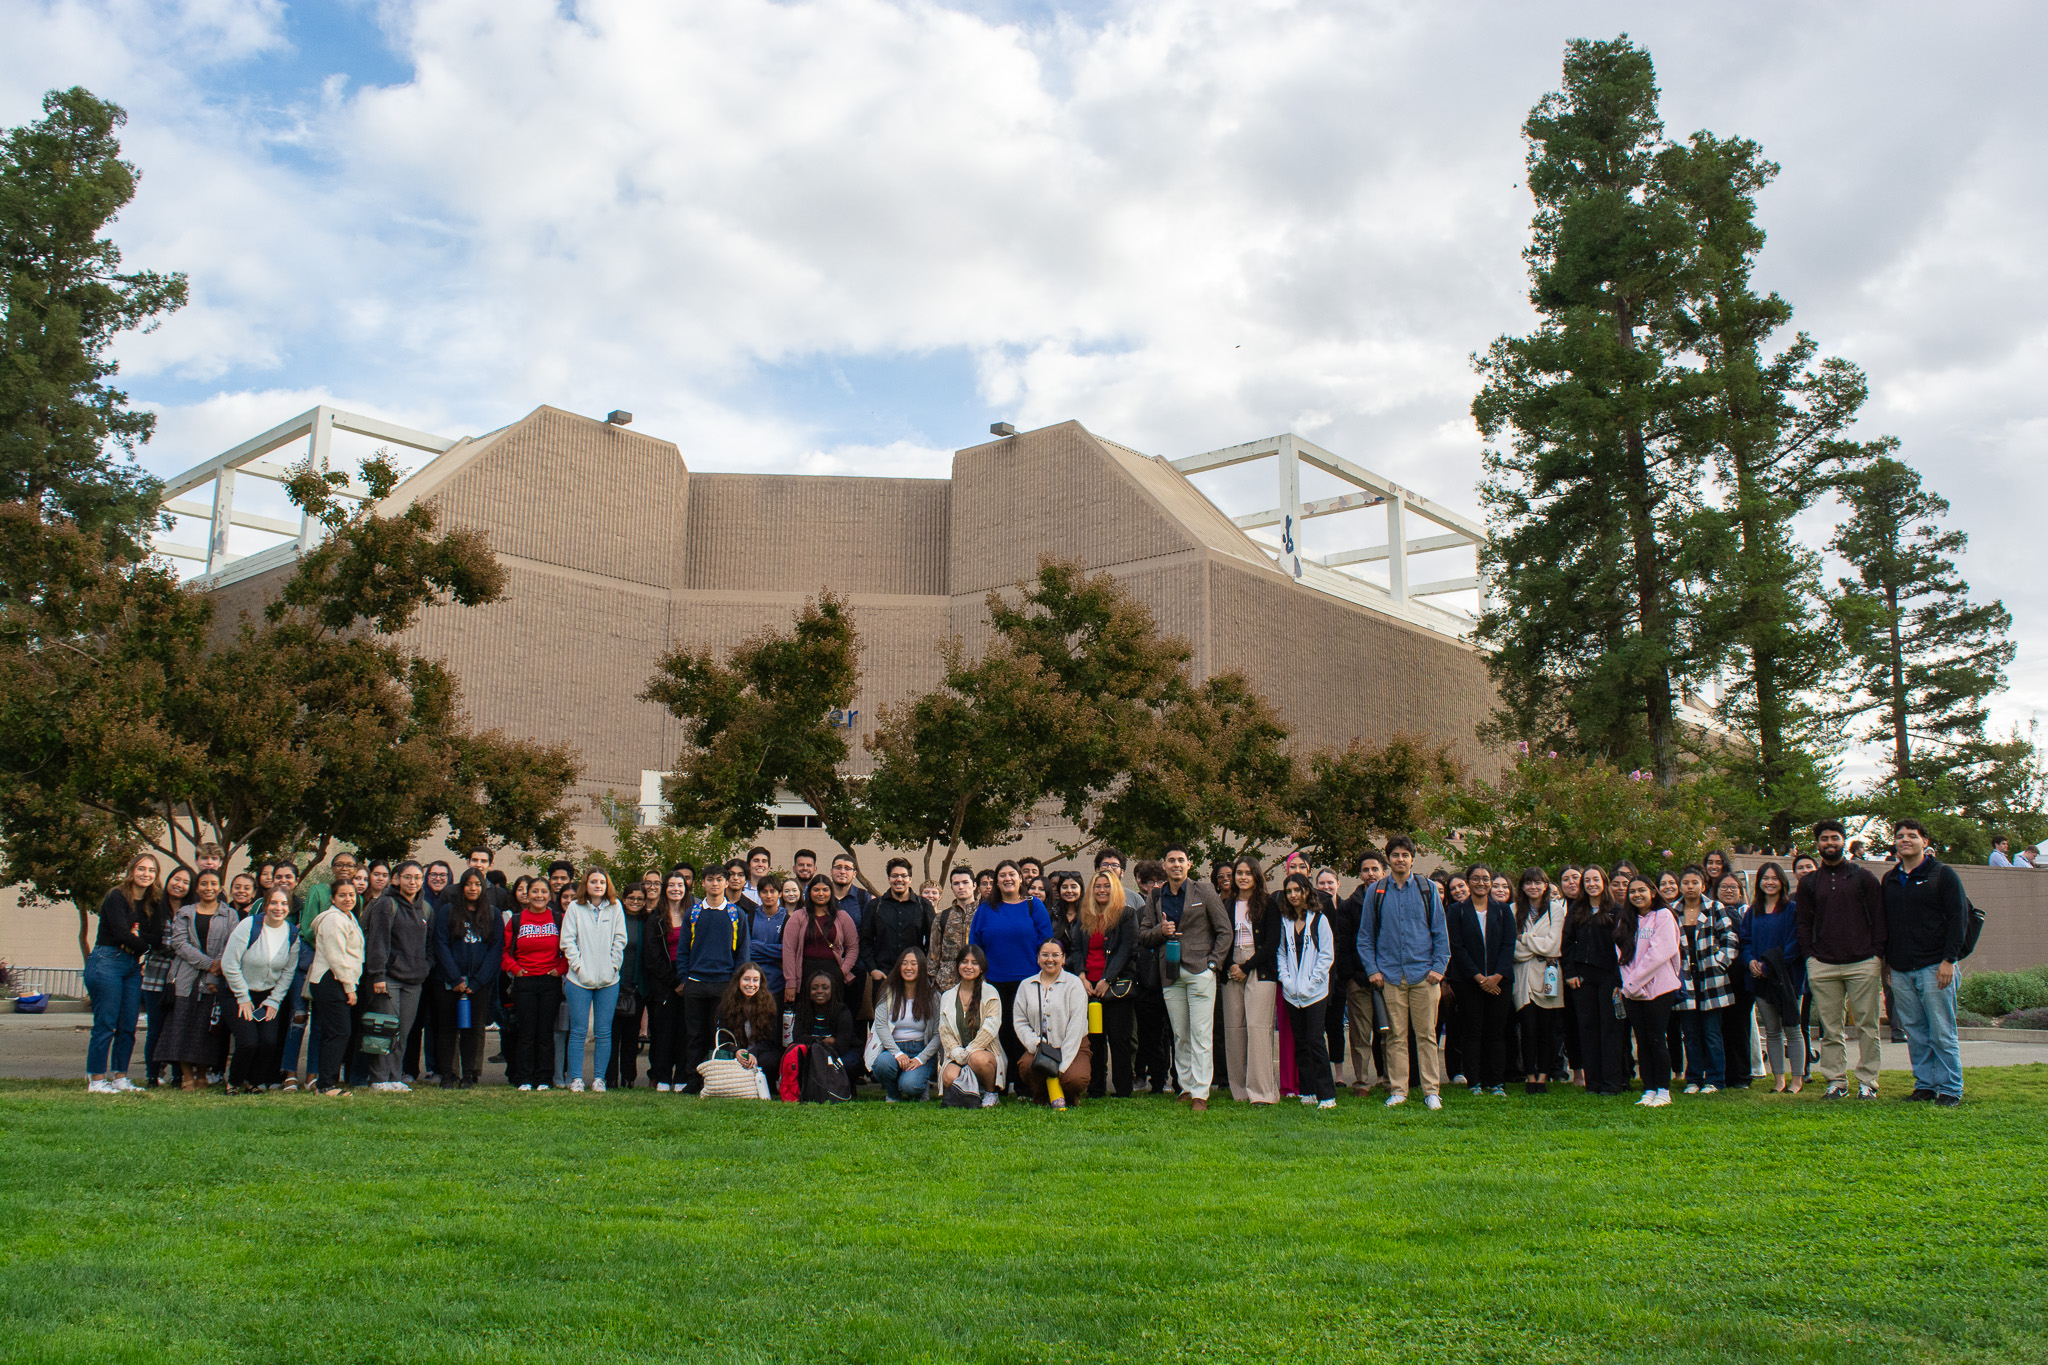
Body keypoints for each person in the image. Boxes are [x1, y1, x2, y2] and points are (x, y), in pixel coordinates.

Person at [1796, 819, 1886, 1100]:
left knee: (1867, 1026)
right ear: (1818, 844)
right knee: (1830, 1028)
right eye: (1824, 839)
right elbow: (1803, 924)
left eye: (1835, 838)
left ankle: (1868, 1082)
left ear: (1843, 841)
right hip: (1823, 964)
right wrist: (1810, 956)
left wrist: (1877, 955)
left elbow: (1880, 919)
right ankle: (1836, 1081)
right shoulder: (1809, 883)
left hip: (1863, 962)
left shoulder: (1863, 877)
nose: (1830, 843)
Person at [1137, 845, 1231, 1112]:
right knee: (1180, 1034)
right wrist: (1160, 930)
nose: (1176, 865)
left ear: (1189, 864)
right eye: (1171, 861)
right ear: (1163, 865)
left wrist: (1213, 963)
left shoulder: (1204, 891)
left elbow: (1224, 931)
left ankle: (1201, 1091)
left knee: (1201, 1033)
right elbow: (1144, 936)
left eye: (1181, 860)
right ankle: (1186, 1087)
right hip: (1170, 972)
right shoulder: (1156, 896)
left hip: (1200, 969)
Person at [1358, 836, 1450, 1110]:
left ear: (1412, 858)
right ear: (1388, 859)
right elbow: (1365, 937)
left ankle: (1431, 1091)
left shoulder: (1427, 889)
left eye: (1404, 855)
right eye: (1395, 855)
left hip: (1424, 974)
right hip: (1390, 976)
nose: (1400, 859)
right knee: (1395, 1036)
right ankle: (1398, 1090)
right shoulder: (1377, 892)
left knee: (1427, 1035)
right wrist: (1373, 970)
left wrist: (1438, 968)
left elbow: (1440, 932)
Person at [1884, 819, 1969, 1106]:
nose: (1904, 840)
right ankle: (1925, 1085)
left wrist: (1949, 960)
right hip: (1901, 969)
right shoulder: (1891, 879)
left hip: (1935, 966)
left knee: (1942, 1031)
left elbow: (1959, 919)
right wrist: (1887, 965)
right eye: (1899, 836)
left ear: (1925, 841)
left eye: (1911, 836)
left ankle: (1950, 1089)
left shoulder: (1942, 874)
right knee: (1916, 1032)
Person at [969, 860, 1057, 1090]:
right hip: (993, 981)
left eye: (1012, 874)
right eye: (1002, 875)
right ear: (996, 881)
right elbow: (974, 947)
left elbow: (1046, 944)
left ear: (1021, 878)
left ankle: (1023, 1084)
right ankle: (999, 1081)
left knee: (1024, 1031)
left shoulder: (1033, 906)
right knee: (999, 1031)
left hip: (1027, 981)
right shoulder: (985, 909)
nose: (1007, 879)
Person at [85, 853, 161, 1093]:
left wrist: (141, 942)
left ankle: (120, 1078)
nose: (146, 874)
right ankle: (97, 1080)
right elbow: (120, 933)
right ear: (132, 870)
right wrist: (145, 945)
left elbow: (156, 936)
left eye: (151, 870)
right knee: (106, 1024)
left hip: (131, 965)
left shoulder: (152, 902)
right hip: (107, 961)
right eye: (141, 868)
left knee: (128, 1024)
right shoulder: (116, 896)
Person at [159, 869, 240, 1091]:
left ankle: (203, 1074)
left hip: (214, 981)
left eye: (213, 883)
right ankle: (186, 1076)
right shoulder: (185, 912)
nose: (208, 888)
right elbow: (180, 944)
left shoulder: (229, 914)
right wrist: (208, 963)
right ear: (197, 888)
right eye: (204, 883)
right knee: (182, 1027)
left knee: (206, 1030)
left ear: (220, 887)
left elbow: (232, 945)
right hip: (185, 978)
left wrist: (215, 970)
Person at [360, 861, 433, 1093]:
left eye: (418, 878)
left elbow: (429, 946)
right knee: (385, 1029)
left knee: (404, 1031)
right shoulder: (386, 904)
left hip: (414, 980)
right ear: (396, 879)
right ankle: (378, 1078)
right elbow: (378, 941)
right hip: (387, 978)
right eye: (408, 877)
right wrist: (378, 974)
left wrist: (425, 967)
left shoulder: (426, 909)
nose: (413, 882)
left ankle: (394, 1076)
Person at [557, 869, 628, 1093]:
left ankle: (599, 1078)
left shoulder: (616, 907)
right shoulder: (575, 908)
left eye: (602, 882)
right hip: (578, 980)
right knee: (578, 1030)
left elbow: (620, 939)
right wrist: (578, 967)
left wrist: (613, 966)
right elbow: (567, 941)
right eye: (593, 882)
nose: (598, 885)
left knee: (603, 1031)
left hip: (609, 980)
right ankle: (576, 1078)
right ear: (585, 885)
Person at [1738, 863, 1806, 1094]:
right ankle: (1779, 1081)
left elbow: (1796, 942)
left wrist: (1770, 965)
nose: (1769, 882)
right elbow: (1744, 941)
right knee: (1773, 1031)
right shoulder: (1752, 912)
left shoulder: (1792, 909)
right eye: (1765, 878)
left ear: (1782, 882)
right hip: (1760, 979)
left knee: (1792, 1029)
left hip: (1787, 978)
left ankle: (1797, 1080)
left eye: (1774, 878)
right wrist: (1751, 962)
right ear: (1758, 882)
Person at [431, 869, 502, 1089]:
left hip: (478, 983)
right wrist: (454, 978)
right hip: (449, 982)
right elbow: (440, 944)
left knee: (473, 1029)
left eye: (478, 885)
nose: (473, 889)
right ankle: (447, 1074)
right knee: (447, 1028)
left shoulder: (493, 914)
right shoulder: (447, 912)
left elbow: (495, 950)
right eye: (469, 884)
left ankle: (470, 1074)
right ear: (462, 887)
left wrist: (478, 981)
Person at [222, 886, 298, 1092]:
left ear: (289, 908)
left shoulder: (292, 933)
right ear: (265, 905)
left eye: (283, 904)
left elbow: (288, 972)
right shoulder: (249, 925)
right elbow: (229, 963)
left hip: (267, 997)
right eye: (274, 902)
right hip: (237, 993)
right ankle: (234, 1082)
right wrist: (242, 996)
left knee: (268, 1042)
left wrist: (274, 1000)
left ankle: (254, 1081)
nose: (278, 907)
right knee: (248, 1042)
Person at [676, 865, 744, 1093]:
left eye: (719, 879)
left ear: (727, 883)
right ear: (702, 884)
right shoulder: (693, 913)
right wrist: (684, 978)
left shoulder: (736, 914)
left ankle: (716, 1081)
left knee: (719, 1034)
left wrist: (736, 983)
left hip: (724, 984)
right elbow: (683, 949)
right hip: (695, 983)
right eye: (710, 879)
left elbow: (743, 952)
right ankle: (693, 1081)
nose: (715, 884)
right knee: (694, 1034)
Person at [1449, 863, 1515, 1097]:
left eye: (1486, 879)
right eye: (1475, 879)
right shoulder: (1456, 911)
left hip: (1500, 982)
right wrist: (1479, 978)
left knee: (1496, 1032)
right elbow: (1457, 947)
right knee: (1472, 1031)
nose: (1481, 883)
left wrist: (1496, 976)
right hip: (1469, 982)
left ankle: (1496, 1082)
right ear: (1468, 882)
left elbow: (1509, 944)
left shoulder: (1503, 910)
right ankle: (1474, 1082)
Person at [1562, 865, 1628, 1094]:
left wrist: (1620, 979)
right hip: (1582, 978)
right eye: (1587, 880)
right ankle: (1594, 1083)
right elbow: (1567, 943)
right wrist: (1569, 973)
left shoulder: (1616, 910)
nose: (1591, 884)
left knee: (1610, 1030)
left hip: (1610, 977)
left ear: (1604, 882)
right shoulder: (1577, 910)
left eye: (1595, 879)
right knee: (1587, 1029)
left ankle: (1612, 1083)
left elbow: (1624, 945)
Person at [1274, 872, 1338, 1108]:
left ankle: (1327, 1094)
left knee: (1315, 1041)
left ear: (1306, 892)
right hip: (1292, 992)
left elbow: (1326, 955)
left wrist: (1312, 983)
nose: (1293, 895)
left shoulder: (1319, 919)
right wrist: (1287, 981)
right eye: (1289, 891)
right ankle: (1308, 1091)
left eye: (1297, 890)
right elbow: (1281, 953)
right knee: (1300, 1041)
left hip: (1316, 992)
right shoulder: (1285, 921)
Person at [1221, 858, 1282, 1105]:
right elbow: (1219, 938)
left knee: (1258, 1029)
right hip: (1231, 968)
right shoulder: (1225, 904)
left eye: (1248, 873)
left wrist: (1246, 967)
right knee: (1234, 1030)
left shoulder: (1268, 905)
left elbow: (1272, 943)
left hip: (1259, 969)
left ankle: (1262, 1093)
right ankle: (1240, 1091)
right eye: (1239, 873)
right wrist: (1230, 967)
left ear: (1257, 876)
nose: (1243, 877)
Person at [1672, 866, 1738, 1094]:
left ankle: (1715, 1079)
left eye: (1694, 882)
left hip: (1711, 978)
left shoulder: (1714, 907)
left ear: (1703, 885)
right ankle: (1693, 1079)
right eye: (1686, 883)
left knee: (1711, 1032)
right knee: (1690, 1033)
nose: (1690, 887)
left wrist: (1720, 962)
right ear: (1680, 886)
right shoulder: (1673, 910)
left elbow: (1729, 937)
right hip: (1684, 980)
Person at [1075, 868, 1140, 1098]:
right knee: (1095, 1039)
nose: (1101, 890)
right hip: (1088, 986)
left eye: (1106, 886)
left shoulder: (1126, 914)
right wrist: (1081, 976)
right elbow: (1076, 949)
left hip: (1116, 986)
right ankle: (1096, 1088)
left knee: (1119, 1039)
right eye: (1097, 886)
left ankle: (1123, 1089)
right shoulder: (1085, 916)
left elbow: (1127, 949)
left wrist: (1107, 980)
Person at [1617, 876, 1679, 1108]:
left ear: (1652, 892)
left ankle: (1663, 1090)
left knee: (1656, 1038)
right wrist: (1630, 985)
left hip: (1659, 988)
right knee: (1641, 1040)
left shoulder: (1663, 916)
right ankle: (1649, 1089)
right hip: (1632, 991)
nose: (1636, 895)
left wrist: (1635, 982)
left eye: (1641, 890)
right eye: (1632, 891)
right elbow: (1621, 955)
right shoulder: (1626, 920)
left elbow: (1660, 952)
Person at [501, 874, 567, 1090]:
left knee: (545, 1033)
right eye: (535, 891)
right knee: (526, 1032)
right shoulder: (517, 920)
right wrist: (515, 969)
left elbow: (569, 950)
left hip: (550, 982)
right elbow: (504, 952)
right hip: (525, 982)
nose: (539, 895)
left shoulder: (559, 919)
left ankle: (544, 1078)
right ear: (526, 895)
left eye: (543, 891)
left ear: (550, 895)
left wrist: (560, 969)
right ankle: (525, 1078)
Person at [1014, 938, 1090, 1108]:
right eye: (1045, 955)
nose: (1050, 959)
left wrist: (1060, 1068)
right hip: (1042, 1047)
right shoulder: (1026, 986)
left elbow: (1076, 1027)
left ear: (1063, 959)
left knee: (1074, 1079)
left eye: (1056, 955)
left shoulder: (1074, 985)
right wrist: (1034, 1043)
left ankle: (1069, 1096)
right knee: (1026, 1066)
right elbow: (1020, 1020)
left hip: (1073, 1045)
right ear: (1038, 958)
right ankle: (1043, 1096)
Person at [306, 879, 365, 1097]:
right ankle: (326, 1085)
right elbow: (336, 957)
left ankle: (325, 1081)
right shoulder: (333, 920)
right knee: (339, 1032)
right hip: (331, 981)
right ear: (333, 899)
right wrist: (349, 988)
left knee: (334, 1032)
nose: (348, 899)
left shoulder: (348, 918)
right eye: (342, 895)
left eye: (351, 895)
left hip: (338, 981)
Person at [1335, 849, 1387, 1096]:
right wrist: (1351, 976)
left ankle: (1389, 1079)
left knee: (1388, 1032)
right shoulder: (1349, 905)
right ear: (1359, 874)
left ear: (1383, 872)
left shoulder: (1392, 898)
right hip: (1358, 978)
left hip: (1390, 978)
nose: (1370, 874)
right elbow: (1344, 943)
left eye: (1374, 869)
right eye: (1365, 870)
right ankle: (1362, 1081)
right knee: (1360, 1034)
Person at [1511, 868, 1566, 1093]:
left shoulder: (1556, 910)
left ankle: (1543, 1076)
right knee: (1528, 1029)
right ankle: (1530, 1075)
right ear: (1522, 886)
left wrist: (1524, 938)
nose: (1533, 887)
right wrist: (1539, 946)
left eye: (1538, 883)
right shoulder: (1513, 910)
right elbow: (1514, 952)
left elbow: (1554, 946)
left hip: (1548, 977)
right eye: (1528, 883)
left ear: (1545, 885)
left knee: (1546, 1030)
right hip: (1522, 978)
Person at [860, 857, 934, 1015]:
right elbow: (865, 942)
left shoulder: (923, 906)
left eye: (903, 875)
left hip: (914, 974)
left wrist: (924, 967)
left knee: (914, 1020)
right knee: (883, 1022)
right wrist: (873, 970)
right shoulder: (875, 906)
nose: (899, 879)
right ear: (888, 878)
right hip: (883, 976)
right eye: (894, 876)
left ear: (910, 879)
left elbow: (933, 942)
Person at [138, 862, 188, 1089]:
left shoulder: (192, 910)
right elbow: (143, 935)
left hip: (181, 975)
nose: (180, 885)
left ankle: (179, 1075)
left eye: (186, 882)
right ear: (168, 881)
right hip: (156, 972)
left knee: (178, 1028)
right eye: (176, 879)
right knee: (155, 1029)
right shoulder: (154, 906)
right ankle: (153, 1074)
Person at [867, 948, 941, 1102]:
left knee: (910, 1085)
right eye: (905, 963)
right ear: (898, 967)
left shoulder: (933, 996)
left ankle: (919, 1085)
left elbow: (938, 1033)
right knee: (881, 1065)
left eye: (914, 964)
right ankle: (893, 1093)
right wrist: (897, 1053)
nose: (909, 968)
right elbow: (881, 1026)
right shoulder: (887, 992)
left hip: (921, 1050)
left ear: (921, 968)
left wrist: (921, 1058)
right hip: (895, 1050)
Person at [642, 870, 691, 1091]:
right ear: (665, 889)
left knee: (685, 1031)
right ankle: (661, 1076)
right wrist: (674, 983)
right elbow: (652, 957)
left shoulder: (693, 915)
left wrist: (685, 980)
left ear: (686, 888)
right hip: (663, 982)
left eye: (680, 885)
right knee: (663, 1032)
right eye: (671, 885)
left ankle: (681, 1077)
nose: (676, 889)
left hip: (688, 977)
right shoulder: (656, 918)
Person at [938, 945, 1005, 1106]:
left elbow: (991, 1028)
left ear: (982, 968)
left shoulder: (991, 993)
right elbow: (944, 1031)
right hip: (957, 1054)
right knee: (949, 1078)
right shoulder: (947, 996)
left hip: (984, 1053)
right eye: (964, 962)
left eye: (974, 963)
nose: (969, 967)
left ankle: (990, 1093)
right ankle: (973, 1091)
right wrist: (956, 1052)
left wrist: (969, 1051)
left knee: (977, 1059)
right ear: (958, 965)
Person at [783, 874, 860, 1007]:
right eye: (816, 890)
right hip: (806, 972)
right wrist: (791, 982)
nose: (821, 894)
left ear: (831, 892)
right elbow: (789, 950)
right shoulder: (798, 916)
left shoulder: (842, 916)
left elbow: (853, 946)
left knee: (833, 1015)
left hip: (834, 972)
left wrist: (843, 971)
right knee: (806, 1014)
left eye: (825, 890)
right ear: (809, 892)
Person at [715, 962, 784, 1097]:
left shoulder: (769, 1005)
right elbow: (723, 1038)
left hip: (760, 1051)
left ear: (761, 983)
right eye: (746, 979)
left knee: (770, 1061)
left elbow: (770, 1040)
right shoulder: (727, 1004)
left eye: (755, 980)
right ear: (738, 981)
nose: (751, 984)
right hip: (736, 1051)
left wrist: (752, 1053)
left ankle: (767, 1087)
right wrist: (736, 1052)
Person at [608, 880, 650, 1090]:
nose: (635, 902)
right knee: (611, 1034)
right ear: (623, 900)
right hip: (612, 984)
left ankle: (628, 1077)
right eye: (631, 898)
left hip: (637, 986)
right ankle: (610, 1078)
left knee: (631, 1036)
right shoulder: (614, 919)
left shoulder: (648, 921)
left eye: (640, 899)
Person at [790, 967, 859, 1090]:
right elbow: (798, 1037)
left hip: (839, 1053)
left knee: (850, 1063)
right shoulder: (802, 1010)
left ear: (832, 990)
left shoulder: (842, 1011)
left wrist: (813, 1042)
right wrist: (823, 1041)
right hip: (813, 1052)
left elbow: (841, 1045)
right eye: (814, 988)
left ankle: (846, 1087)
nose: (819, 991)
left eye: (825, 987)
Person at [744, 874, 792, 998]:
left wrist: (757, 945)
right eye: (764, 892)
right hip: (752, 982)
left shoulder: (787, 920)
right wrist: (773, 954)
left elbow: (786, 951)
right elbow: (746, 949)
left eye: (772, 891)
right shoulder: (750, 917)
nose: (769, 896)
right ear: (759, 894)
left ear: (780, 894)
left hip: (777, 983)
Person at [931, 868, 978, 992]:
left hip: (978, 983)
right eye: (956, 884)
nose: (961, 887)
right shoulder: (942, 917)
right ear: (951, 887)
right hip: (946, 985)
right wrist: (931, 981)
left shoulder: (985, 914)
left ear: (974, 885)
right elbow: (933, 954)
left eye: (965, 882)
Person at [829, 853, 870, 935]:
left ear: (854, 874)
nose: (842, 872)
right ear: (831, 871)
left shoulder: (863, 897)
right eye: (838, 867)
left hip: (855, 946)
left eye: (847, 868)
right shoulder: (823, 895)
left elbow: (868, 931)